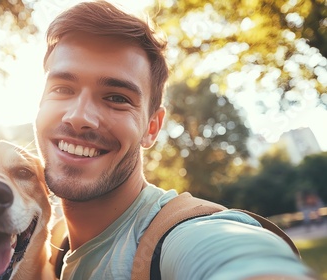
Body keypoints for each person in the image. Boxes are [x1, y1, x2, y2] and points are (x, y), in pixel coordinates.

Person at [33, 1, 316, 279]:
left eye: (117, 98)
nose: (80, 116)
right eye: (62, 88)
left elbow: (232, 255)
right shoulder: (51, 243)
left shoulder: (181, 233)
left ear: (152, 128)